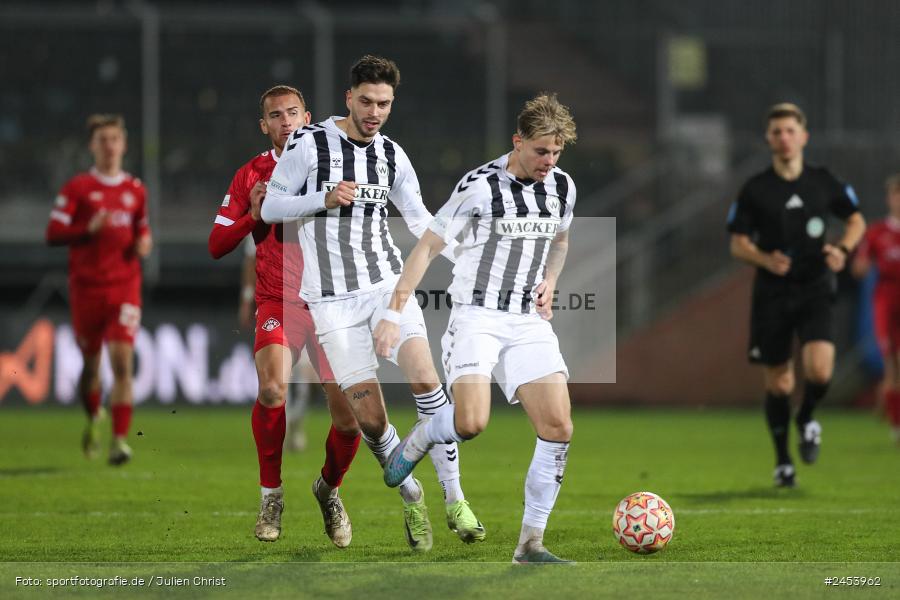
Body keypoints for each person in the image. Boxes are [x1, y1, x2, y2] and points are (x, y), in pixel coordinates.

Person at [261, 56, 484, 552]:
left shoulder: (392, 155)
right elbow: (271, 207)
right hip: (332, 303)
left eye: (384, 103)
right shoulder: (308, 143)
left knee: (427, 380)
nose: (374, 112)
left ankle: (456, 499)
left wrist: (469, 244)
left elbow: (421, 217)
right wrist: (322, 198)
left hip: (386, 287)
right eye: (366, 101)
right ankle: (412, 494)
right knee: (372, 422)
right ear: (348, 98)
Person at [375, 93, 578, 563]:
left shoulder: (563, 187)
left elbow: (562, 239)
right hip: (477, 318)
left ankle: (530, 545)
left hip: (528, 321)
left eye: (556, 153)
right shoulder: (480, 187)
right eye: (541, 151)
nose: (549, 161)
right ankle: (424, 435)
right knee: (470, 423)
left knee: (558, 426)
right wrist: (392, 312)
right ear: (518, 141)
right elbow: (426, 247)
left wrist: (550, 280)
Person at [208, 85, 361, 547]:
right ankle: (271, 495)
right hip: (279, 300)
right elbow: (217, 246)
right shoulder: (250, 174)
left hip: (333, 301)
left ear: (307, 116)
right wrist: (253, 217)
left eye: (293, 113)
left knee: (350, 419)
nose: (286, 122)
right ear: (264, 125)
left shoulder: (332, 162)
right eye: (276, 116)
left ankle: (329, 490)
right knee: (273, 388)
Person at [727, 103, 866, 487]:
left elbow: (855, 219)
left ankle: (806, 417)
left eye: (790, 130)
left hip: (816, 286)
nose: (784, 138)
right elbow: (737, 244)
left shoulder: (823, 181)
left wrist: (842, 250)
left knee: (821, 370)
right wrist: (763, 259)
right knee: (780, 383)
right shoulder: (756, 189)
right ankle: (783, 461)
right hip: (772, 293)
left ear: (804, 136)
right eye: (777, 132)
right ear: (768, 139)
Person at [46, 114, 152, 466]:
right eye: (102, 139)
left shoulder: (135, 190)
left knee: (122, 363)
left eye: (114, 139)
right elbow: (53, 234)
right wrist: (86, 228)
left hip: (124, 287)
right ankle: (93, 416)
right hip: (86, 289)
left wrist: (144, 244)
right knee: (91, 368)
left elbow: (142, 231)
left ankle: (119, 441)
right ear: (93, 146)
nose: (109, 145)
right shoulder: (77, 189)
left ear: (123, 144)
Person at [239, 236, 311, 453]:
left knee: (308, 380)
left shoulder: (313, 214)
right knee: (279, 378)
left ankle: (294, 421)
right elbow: (251, 261)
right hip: (277, 305)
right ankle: (285, 427)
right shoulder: (265, 216)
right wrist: (246, 298)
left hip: (311, 306)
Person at [852, 174, 900, 444]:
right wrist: (860, 266)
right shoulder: (877, 232)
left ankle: (888, 405)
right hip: (887, 302)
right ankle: (896, 427)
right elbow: (859, 267)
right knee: (892, 366)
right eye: (897, 195)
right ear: (889, 198)